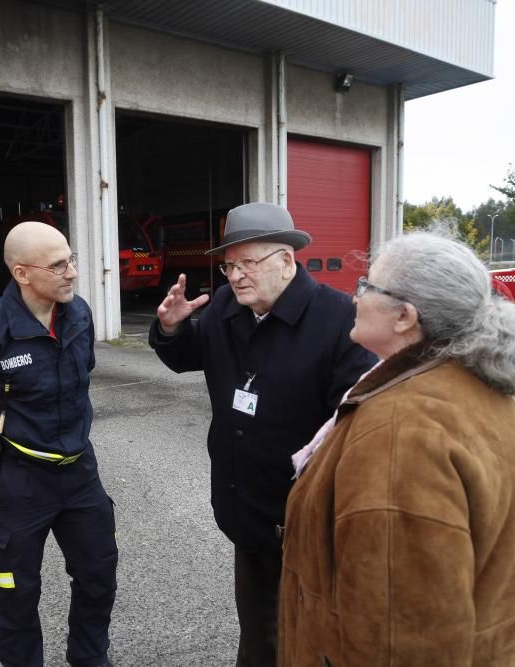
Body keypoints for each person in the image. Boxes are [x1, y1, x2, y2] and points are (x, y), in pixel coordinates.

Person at [278, 232, 515, 666]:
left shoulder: (400, 433)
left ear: (404, 317)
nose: (353, 297)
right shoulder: (475, 383)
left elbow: (401, 639)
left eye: (366, 287)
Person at [150, 202, 376, 666]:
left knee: (314, 631)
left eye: (248, 263)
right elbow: (188, 354)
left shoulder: (338, 321)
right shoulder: (226, 311)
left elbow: (358, 427)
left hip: (310, 519)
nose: (235, 275)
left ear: (287, 261)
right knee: (259, 629)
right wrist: (171, 330)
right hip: (248, 506)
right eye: (229, 265)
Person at [0, 221, 118, 667]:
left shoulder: (79, 314)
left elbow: (84, 375)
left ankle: (89, 660)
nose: (72, 272)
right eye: (58, 265)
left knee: (98, 577)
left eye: (71, 259)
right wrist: (9, 442)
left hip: (80, 474)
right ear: (22, 273)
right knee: (16, 592)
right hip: (19, 482)